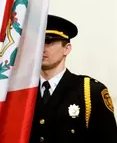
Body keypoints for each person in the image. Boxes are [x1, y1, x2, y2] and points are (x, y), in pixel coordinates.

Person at [29, 14, 117, 143]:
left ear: (66, 49)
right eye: (38, 42)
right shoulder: (22, 91)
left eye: (48, 41)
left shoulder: (90, 91)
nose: (42, 48)